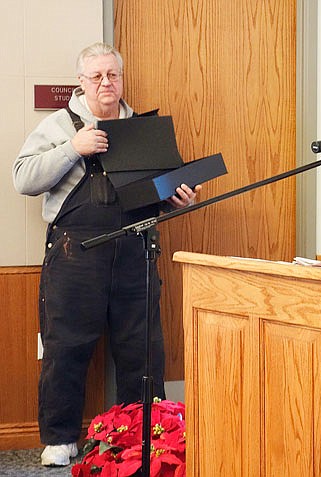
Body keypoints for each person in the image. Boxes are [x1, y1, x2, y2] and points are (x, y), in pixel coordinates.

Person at [12, 42, 200, 467]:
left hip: (137, 253)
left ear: (121, 77)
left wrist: (179, 195)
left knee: (142, 349)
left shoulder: (143, 129)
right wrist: (72, 149)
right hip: (75, 256)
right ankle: (59, 440)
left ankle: (147, 439)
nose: (105, 83)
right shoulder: (60, 126)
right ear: (81, 81)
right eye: (95, 76)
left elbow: (161, 188)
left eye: (112, 75)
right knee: (65, 348)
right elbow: (22, 178)